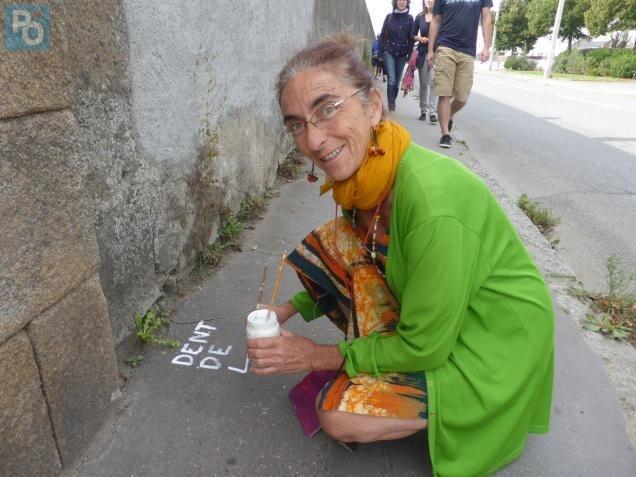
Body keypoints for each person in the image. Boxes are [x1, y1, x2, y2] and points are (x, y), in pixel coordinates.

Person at [247, 36, 554, 477]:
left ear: (373, 104)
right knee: (339, 241)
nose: (313, 138)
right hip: (439, 313)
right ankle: (376, 358)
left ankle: (450, 403)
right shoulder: (366, 178)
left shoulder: (433, 204)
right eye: (296, 123)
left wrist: (315, 356)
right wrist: (286, 310)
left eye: (327, 108)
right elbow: (357, 262)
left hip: (491, 339)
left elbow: (424, 346)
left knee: (336, 417)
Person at [426, 0, 492, 148]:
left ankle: (449, 114)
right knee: (444, 93)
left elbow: (486, 16)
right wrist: (431, 49)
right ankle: (445, 134)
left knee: (462, 97)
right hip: (445, 47)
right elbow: (436, 21)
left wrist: (486, 46)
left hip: (467, 51)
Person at [379, 0, 414, 112]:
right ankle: (391, 105)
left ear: (407, 2)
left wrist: (409, 56)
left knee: (397, 81)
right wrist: (380, 53)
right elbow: (382, 37)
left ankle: (392, 99)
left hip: (402, 54)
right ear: (395, 2)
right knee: (391, 80)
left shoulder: (410, 19)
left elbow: (411, 39)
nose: (402, 2)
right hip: (389, 51)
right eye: (400, 0)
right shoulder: (389, 17)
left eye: (405, 0)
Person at [411, 0, 437, 123]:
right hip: (423, 53)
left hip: (438, 53)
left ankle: (433, 112)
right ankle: (423, 110)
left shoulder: (440, 15)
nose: (428, 0)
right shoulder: (419, 17)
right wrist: (420, 38)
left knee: (434, 83)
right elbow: (412, 35)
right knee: (424, 84)